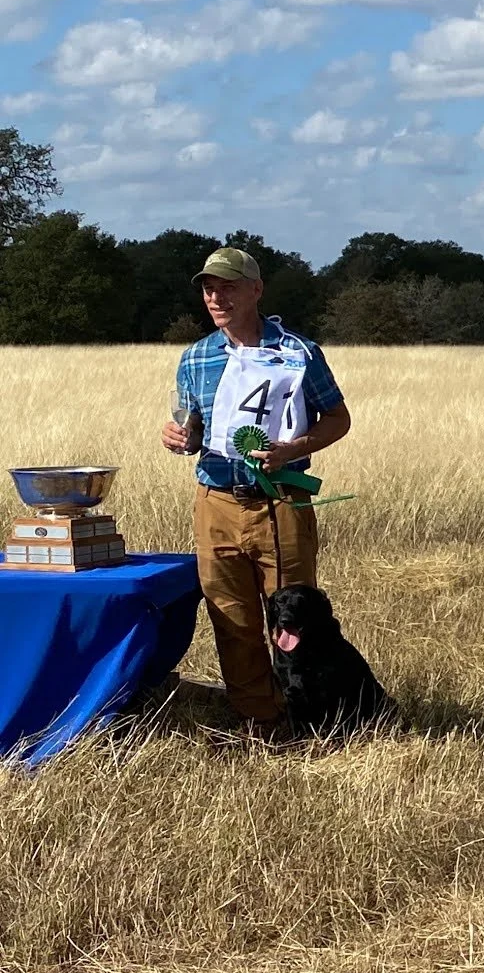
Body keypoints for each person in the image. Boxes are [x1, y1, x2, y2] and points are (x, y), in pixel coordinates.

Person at [160, 246, 351, 733]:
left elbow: (338, 418)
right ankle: (258, 720)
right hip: (216, 502)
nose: (216, 297)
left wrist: (294, 448)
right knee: (232, 619)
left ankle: (310, 719)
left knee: (293, 618)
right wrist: (179, 437)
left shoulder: (299, 351)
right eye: (209, 289)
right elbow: (195, 429)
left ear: (257, 290)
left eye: (227, 287)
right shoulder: (195, 357)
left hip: (280, 501)